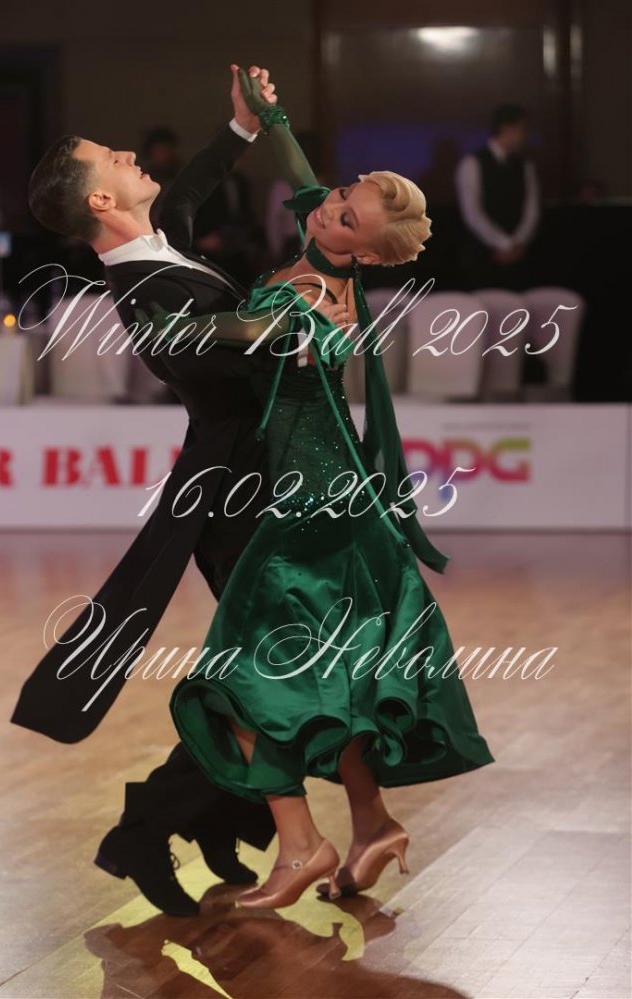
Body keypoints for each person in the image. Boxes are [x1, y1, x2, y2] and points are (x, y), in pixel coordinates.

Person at [143, 72, 495, 910]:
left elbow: (231, 327)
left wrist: (157, 323)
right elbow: (305, 181)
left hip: (310, 519)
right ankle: (372, 825)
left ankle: (302, 848)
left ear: (363, 252)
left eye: (344, 216)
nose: (328, 208)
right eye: (341, 196)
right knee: (328, 684)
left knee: (241, 683)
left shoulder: (309, 298)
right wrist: (270, 117)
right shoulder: (330, 254)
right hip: (333, 506)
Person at [11, 65, 284, 917]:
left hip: (262, 484)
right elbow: (221, 360)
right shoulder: (142, 296)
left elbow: (193, 182)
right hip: (232, 500)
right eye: (113, 158)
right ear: (101, 201)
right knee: (277, 672)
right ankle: (147, 826)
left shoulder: (160, 237)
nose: (131, 154)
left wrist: (241, 128)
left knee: (272, 674)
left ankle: (211, 816)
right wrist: (290, 317)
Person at [454, 103, 540, 290]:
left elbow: (532, 209)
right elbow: (472, 214)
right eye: (523, 128)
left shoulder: (525, 166)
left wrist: (519, 242)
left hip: (519, 258)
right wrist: (504, 243)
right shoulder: (472, 163)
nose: (526, 135)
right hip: (482, 257)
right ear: (506, 128)